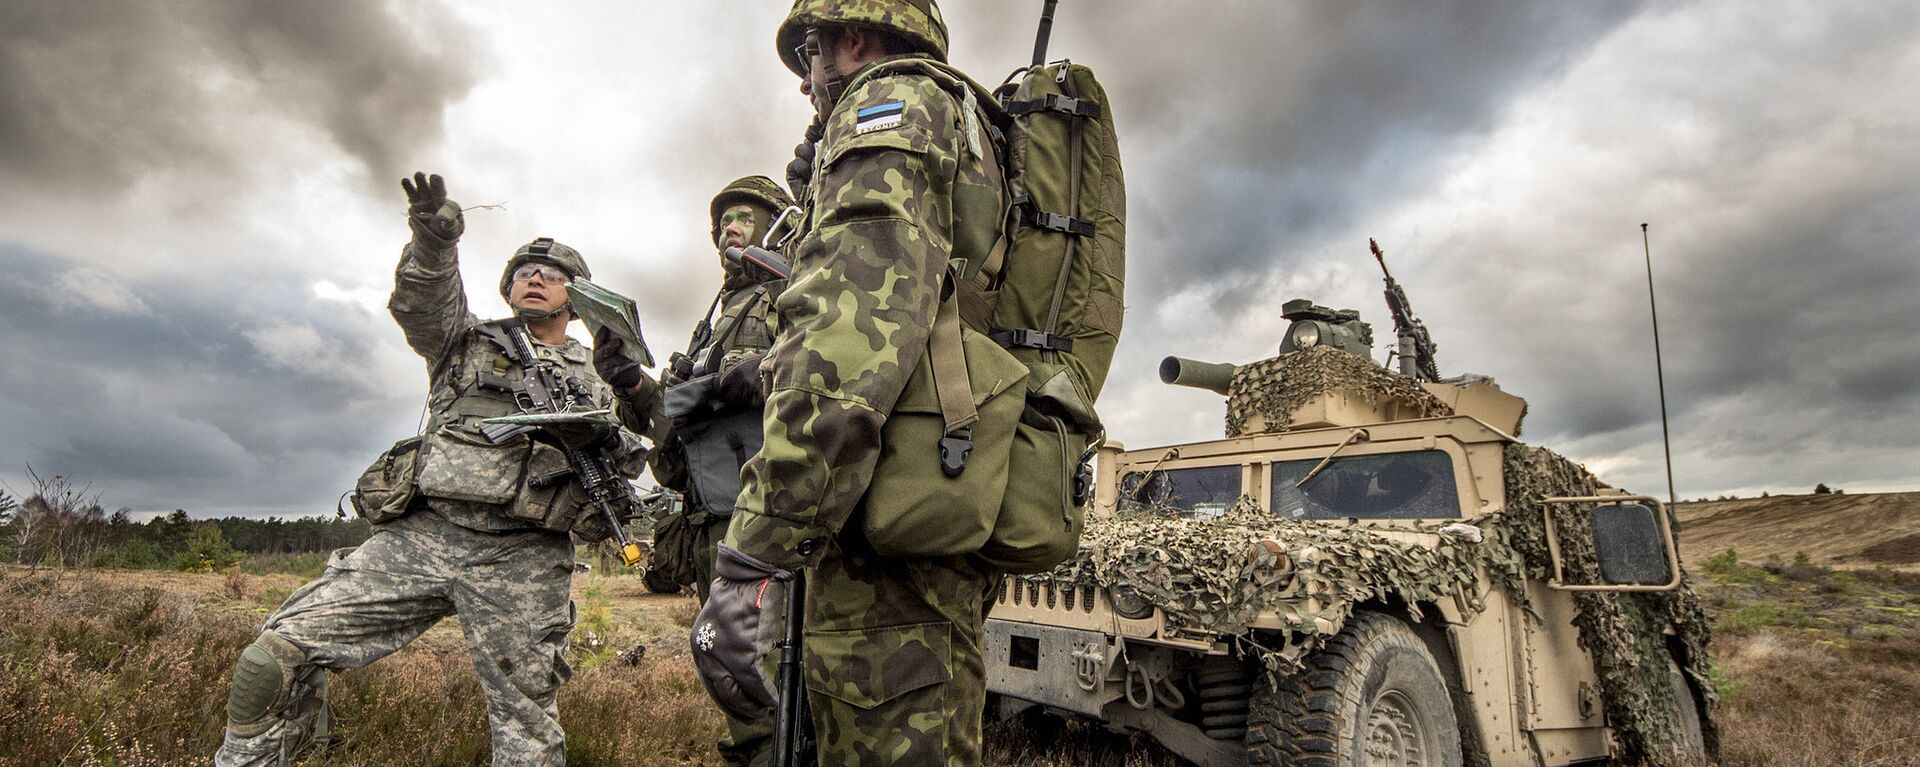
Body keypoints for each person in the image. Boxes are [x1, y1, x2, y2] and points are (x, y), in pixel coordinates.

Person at [213, 172, 648, 767]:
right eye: (524, 271)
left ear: (578, 299)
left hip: (526, 554)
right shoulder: (462, 341)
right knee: (271, 659)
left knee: (526, 726)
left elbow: (637, 450)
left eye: (553, 274)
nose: (536, 278)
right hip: (424, 535)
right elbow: (422, 300)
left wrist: (604, 432)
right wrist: (434, 242)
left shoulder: (605, 369)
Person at [691, 2, 1015, 764]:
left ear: (850, 40)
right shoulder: (964, 128)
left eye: (810, 59)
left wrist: (751, 558)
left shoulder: (887, 106)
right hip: (927, 503)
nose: (808, 88)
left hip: (883, 553)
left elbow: (844, 350)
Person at [649, 175, 795, 767]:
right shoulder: (715, 317)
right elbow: (671, 441)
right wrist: (636, 386)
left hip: (771, 512)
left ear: (775, 225)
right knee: (735, 673)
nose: (727, 230)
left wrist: (755, 370)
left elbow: (830, 366)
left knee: (780, 674)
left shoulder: (792, 290)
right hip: (716, 516)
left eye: (741, 218)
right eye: (721, 224)